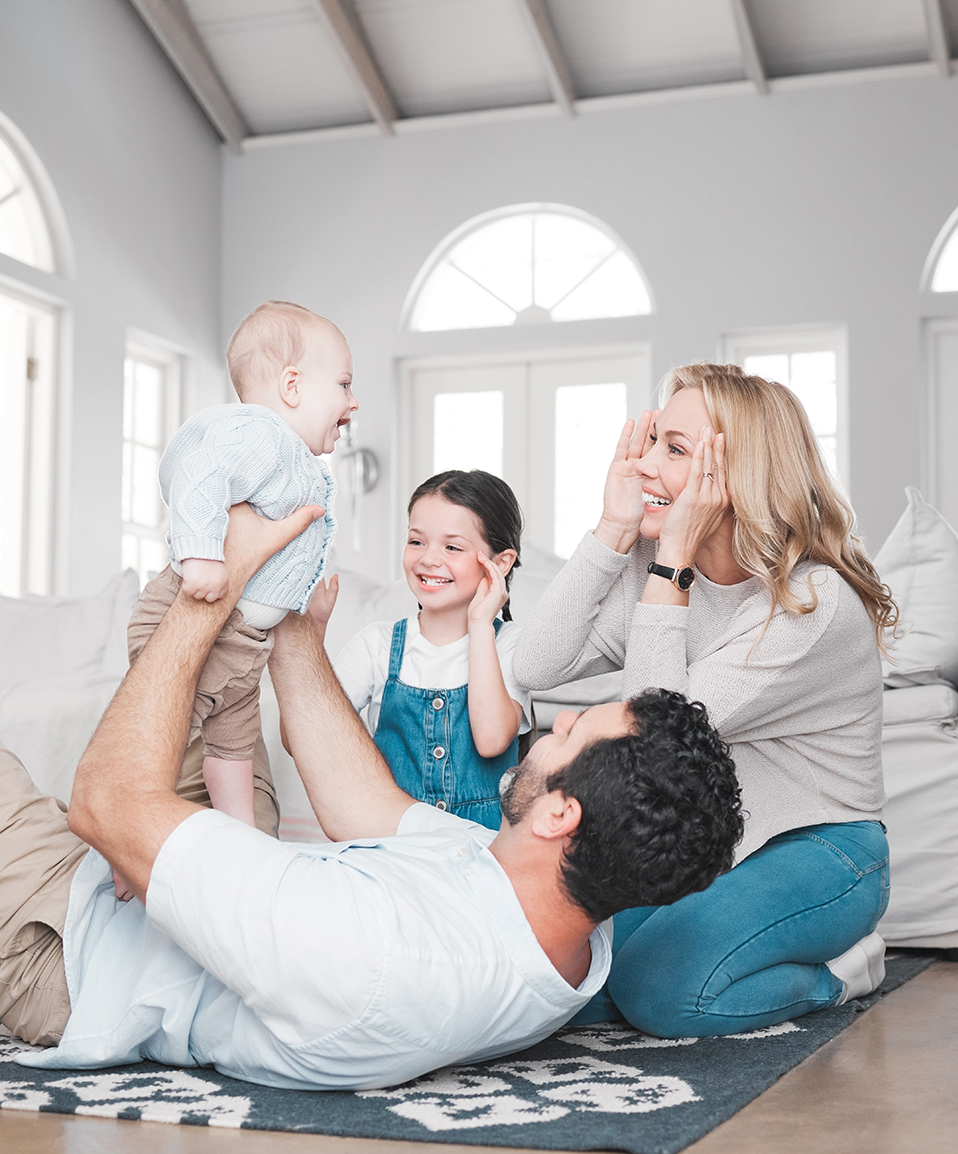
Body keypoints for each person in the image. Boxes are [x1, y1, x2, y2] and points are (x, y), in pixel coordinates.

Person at [1, 502, 743, 1091]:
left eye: (577, 731)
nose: (564, 717)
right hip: (164, 899)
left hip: (72, 948)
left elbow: (106, 802)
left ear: (560, 814)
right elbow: (364, 804)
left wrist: (223, 573)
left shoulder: (372, 951)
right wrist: (290, 616)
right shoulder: (558, 923)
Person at [513, 362, 897, 1038]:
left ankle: (844, 974)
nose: (646, 467)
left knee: (659, 994)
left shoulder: (812, 604)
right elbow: (534, 664)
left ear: (739, 475)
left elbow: (649, 745)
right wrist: (611, 528)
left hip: (823, 849)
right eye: (654, 440)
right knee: (568, 976)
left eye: (677, 450)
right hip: (713, 845)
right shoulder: (651, 560)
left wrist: (672, 561)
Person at [124, 300, 356, 854]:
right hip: (194, 622)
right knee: (166, 736)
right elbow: (200, 470)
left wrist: (304, 608)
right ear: (293, 385)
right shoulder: (261, 434)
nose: (353, 403)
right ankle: (125, 839)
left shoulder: (293, 459)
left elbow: (275, 563)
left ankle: (241, 842)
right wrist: (201, 553)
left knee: (232, 746)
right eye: (344, 384)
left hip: (241, 642)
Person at [329, 470, 531, 828]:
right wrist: (311, 632)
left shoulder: (510, 644)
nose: (428, 559)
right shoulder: (376, 646)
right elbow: (308, 736)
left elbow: (491, 740)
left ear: (500, 563)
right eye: (417, 541)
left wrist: (481, 623)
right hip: (392, 842)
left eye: (452, 547)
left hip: (482, 851)